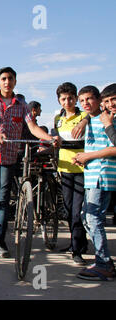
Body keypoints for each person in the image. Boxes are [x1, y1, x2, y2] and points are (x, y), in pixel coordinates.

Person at [0, 67, 59, 258]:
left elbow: (32, 126)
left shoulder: (22, 105)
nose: (7, 82)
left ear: (15, 81)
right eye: (3, 79)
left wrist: (48, 138)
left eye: (10, 78)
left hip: (9, 157)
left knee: (4, 200)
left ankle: (0, 239)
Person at [70, 85, 116, 281]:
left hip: (102, 174)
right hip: (92, 174)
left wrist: (88, 156)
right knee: (87, 216)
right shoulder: (94, 119)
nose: (85, 103)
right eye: (82, 101)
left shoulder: (110, 120)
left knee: (93, 218)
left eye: (89, 99)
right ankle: (103, 260)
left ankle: (104, 264)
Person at [52, 82, 88, 265]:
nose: (67, 101)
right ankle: (79, 242)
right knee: (67, 210)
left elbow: (91, 115)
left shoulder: (84, 115)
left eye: (70, 98)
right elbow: (55, 139)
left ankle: (77, 250)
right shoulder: (58, 118)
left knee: (76, 211)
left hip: (82, 169)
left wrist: (84, 120)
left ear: (76, 98)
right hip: (65, 169)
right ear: (59, 100)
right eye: (63, 99)